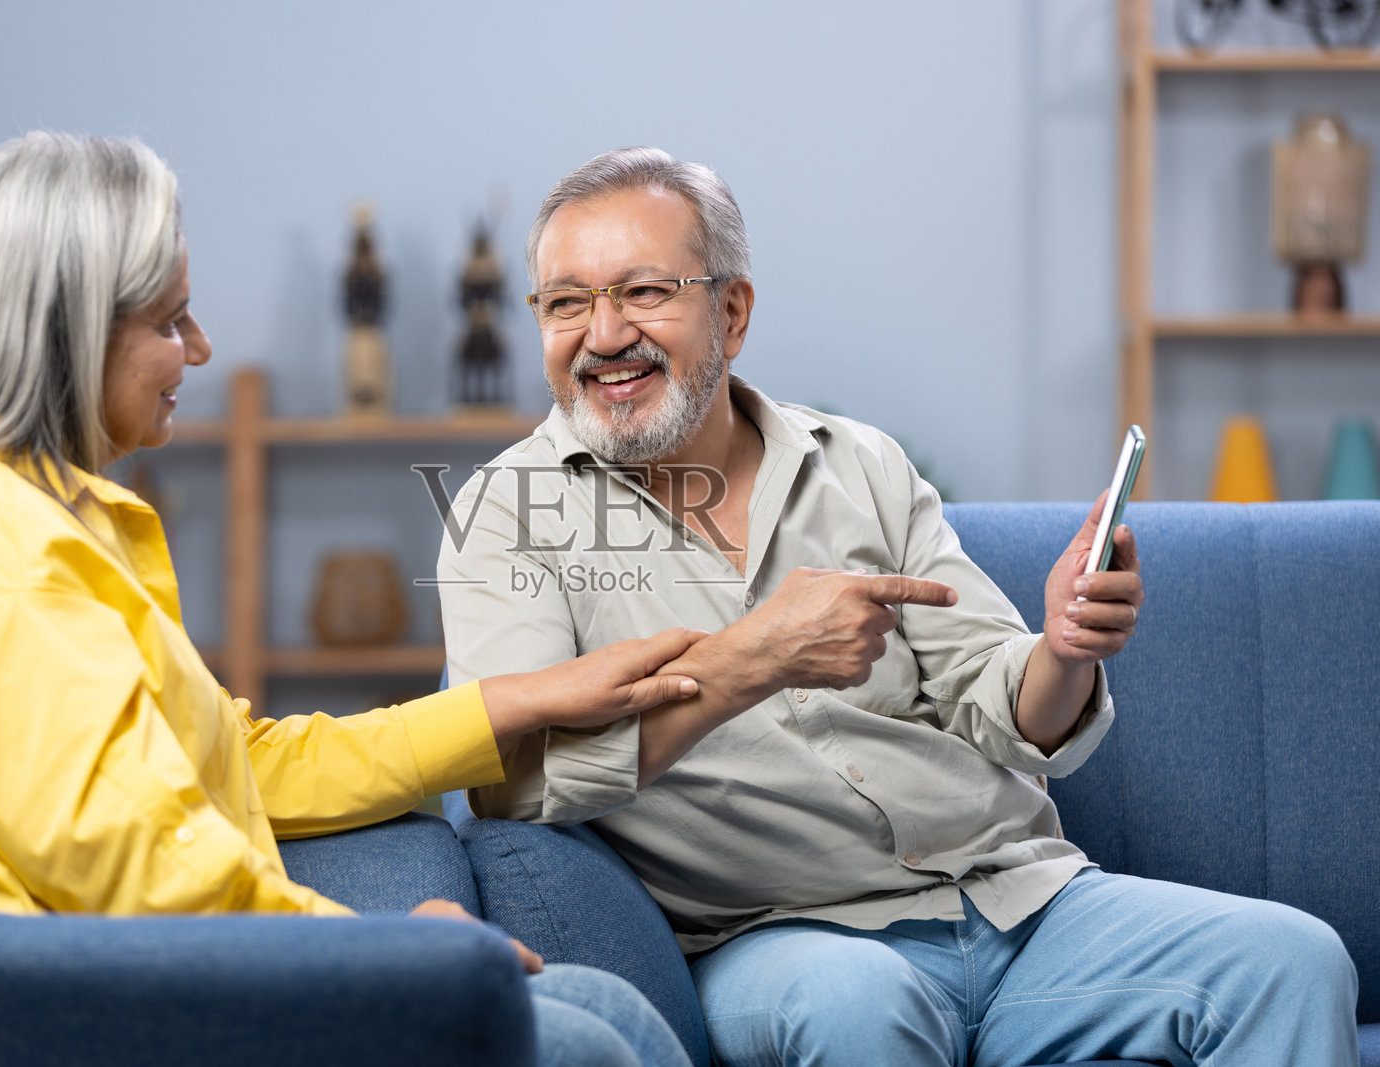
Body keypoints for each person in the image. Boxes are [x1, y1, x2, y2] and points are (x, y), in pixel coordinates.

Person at [0, 132, 695, 1067]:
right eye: (172, 321)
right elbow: (133, 864)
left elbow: (235, 764)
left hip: (102, 969)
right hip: (45, 1007)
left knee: (598, 1009)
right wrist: (384, 955)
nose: (202, 347)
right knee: (579, 1039)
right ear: (70, 332)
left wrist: (526, 699)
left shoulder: (47, 520)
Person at [437, 146, 1361, 1066]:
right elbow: (510, 781)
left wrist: (1067, 648)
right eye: (567, 302)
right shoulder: (505, 517)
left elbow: (1001, 700)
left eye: (643, 292)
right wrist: (758, 656)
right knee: (859, 1007)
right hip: (788, 940)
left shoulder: (860, 463)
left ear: (731, 310)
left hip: (1021, 906)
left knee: (1292, 960)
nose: (603, 334)